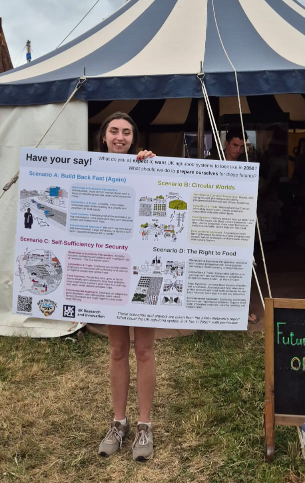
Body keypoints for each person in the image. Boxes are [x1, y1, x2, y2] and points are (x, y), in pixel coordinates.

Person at [97, 112, 156, 462]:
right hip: (109, 271)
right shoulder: (88, 168)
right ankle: (119, 422)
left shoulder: (143, 165)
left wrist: (151, 166)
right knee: (118, 350)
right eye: (114, 131)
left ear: (133, 138)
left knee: (144, 349)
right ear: (104, 136)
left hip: (142, 268)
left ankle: (144, 424)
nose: (120, 137)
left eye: (126, 132)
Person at [224, 127, 259, 325]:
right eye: (234, 145)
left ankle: (242, 309)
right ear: (226, 144)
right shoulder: (214, 165)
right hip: (219, 223)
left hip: (240, 221)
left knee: (243, 266)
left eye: (241, 146)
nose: (237, 150)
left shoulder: (246, 167)